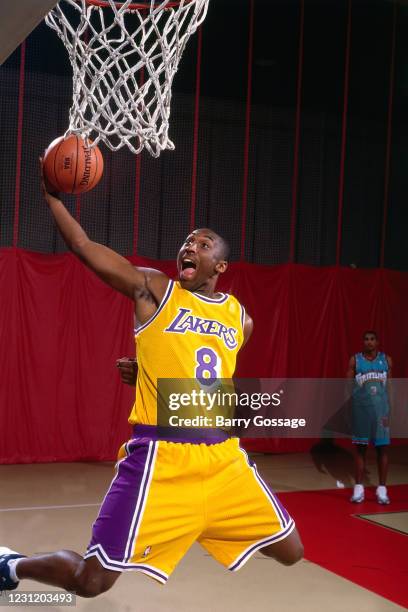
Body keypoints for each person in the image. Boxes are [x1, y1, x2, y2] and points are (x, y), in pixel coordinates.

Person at [0, 164, 303, 597]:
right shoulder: (155, 291)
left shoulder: (241, 319)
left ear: (220, 264)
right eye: (187, 241)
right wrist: (53, 199)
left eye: (203, 243)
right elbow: (85, 247)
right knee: (92, 581)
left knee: (292, 551)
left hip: (222, 462)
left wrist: (148, 376)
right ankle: (11, 566)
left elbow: (212, 385)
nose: (190, 246)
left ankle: (200, 519)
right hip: (161, 459)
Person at [347, 330, 392, 505]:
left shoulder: (386, 360)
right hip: (361, 411)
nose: (369, 342)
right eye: (366, 339)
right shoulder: (355, 360)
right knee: (360, 449)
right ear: (363, 342)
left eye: (372, 339)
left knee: (383, 450)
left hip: (381, 412)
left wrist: (392, 410)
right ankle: (358, 489)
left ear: (377, 342)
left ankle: (382, 490)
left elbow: (390, 388)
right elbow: (347, 387)